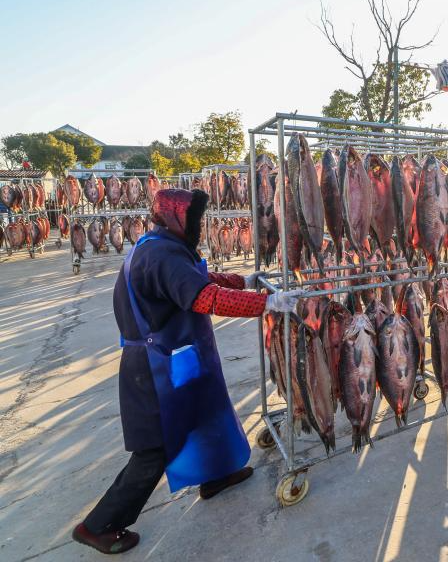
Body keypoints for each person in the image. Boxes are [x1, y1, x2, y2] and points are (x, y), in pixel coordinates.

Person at [73, 188, 300, 555]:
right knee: (156, 447)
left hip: (178, 352)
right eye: (194, 218)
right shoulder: (160, 255)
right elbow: (204, 297)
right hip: (155, 367)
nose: (199, 224)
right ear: (177, 217)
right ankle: (98, 525)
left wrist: (243, 281)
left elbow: (200, 278)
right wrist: (266, 303)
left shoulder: (163, 244)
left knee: (206, 414)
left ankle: (216, 476)